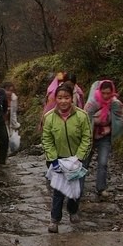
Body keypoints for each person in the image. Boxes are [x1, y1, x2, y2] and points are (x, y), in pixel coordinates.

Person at [41, 81, 92, 233]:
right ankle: (54, 220)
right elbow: (47, 139)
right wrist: (53, 159)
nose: (63, 101)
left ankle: (73, 210)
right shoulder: (49, 117)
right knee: (58, 191)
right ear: (55, 99)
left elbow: (87, 137)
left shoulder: (82, 116)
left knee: (77, 190)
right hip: (59, 159)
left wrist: (80, 157)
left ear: (72, 99)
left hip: (78, 159)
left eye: (67, 97)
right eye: (60, 98)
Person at [84, 79, 123, 198]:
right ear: (99, 91)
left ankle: (101, 188)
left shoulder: (115, 104)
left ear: (112, 92)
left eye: (108, 93)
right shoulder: (92, 104)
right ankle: (77, 186)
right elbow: (84, 119)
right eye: (103, 93)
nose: (106, 96)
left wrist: (109, 128)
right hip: (90, 136)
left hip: (105, 137)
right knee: (84, 162)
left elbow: (121, 119)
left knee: (103, 162)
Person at [3, 80, 21, 154]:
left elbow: (14, 112)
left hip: (10, 122)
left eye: (11, 90)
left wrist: (15, 124)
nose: (9, 93)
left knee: (12, 139)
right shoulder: (0, 98)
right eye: (7, 90)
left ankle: (8, 153)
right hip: (2, 122)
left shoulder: (14, 99)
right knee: (5, 138)